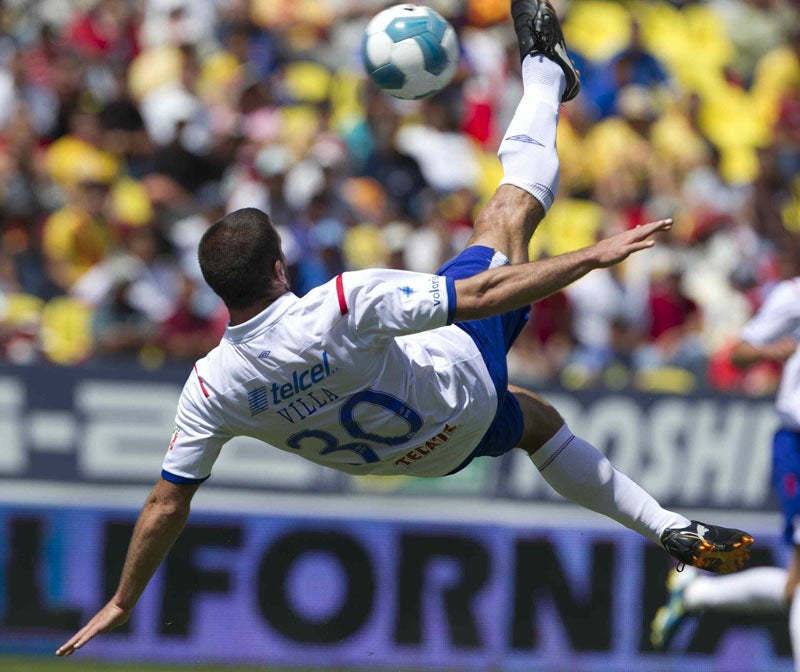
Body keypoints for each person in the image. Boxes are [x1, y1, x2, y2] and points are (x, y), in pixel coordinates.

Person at [56, 0, 754, 657]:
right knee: (507, 215)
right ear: (279, 265)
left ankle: (669, 528)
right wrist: (592, 256)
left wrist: (123, 598)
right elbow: (479, 295)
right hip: (457, 390)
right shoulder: (338, 304)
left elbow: (166, 502)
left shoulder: (210, 387)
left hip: (420, 457)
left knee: (536, 421)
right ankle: (546, 72)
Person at [650, 251, 800, 658]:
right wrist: (772, 353)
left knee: (796, 587)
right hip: (797, 442)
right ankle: (698, 594)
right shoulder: (792, 296)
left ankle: (697, 594)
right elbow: (739, 353)